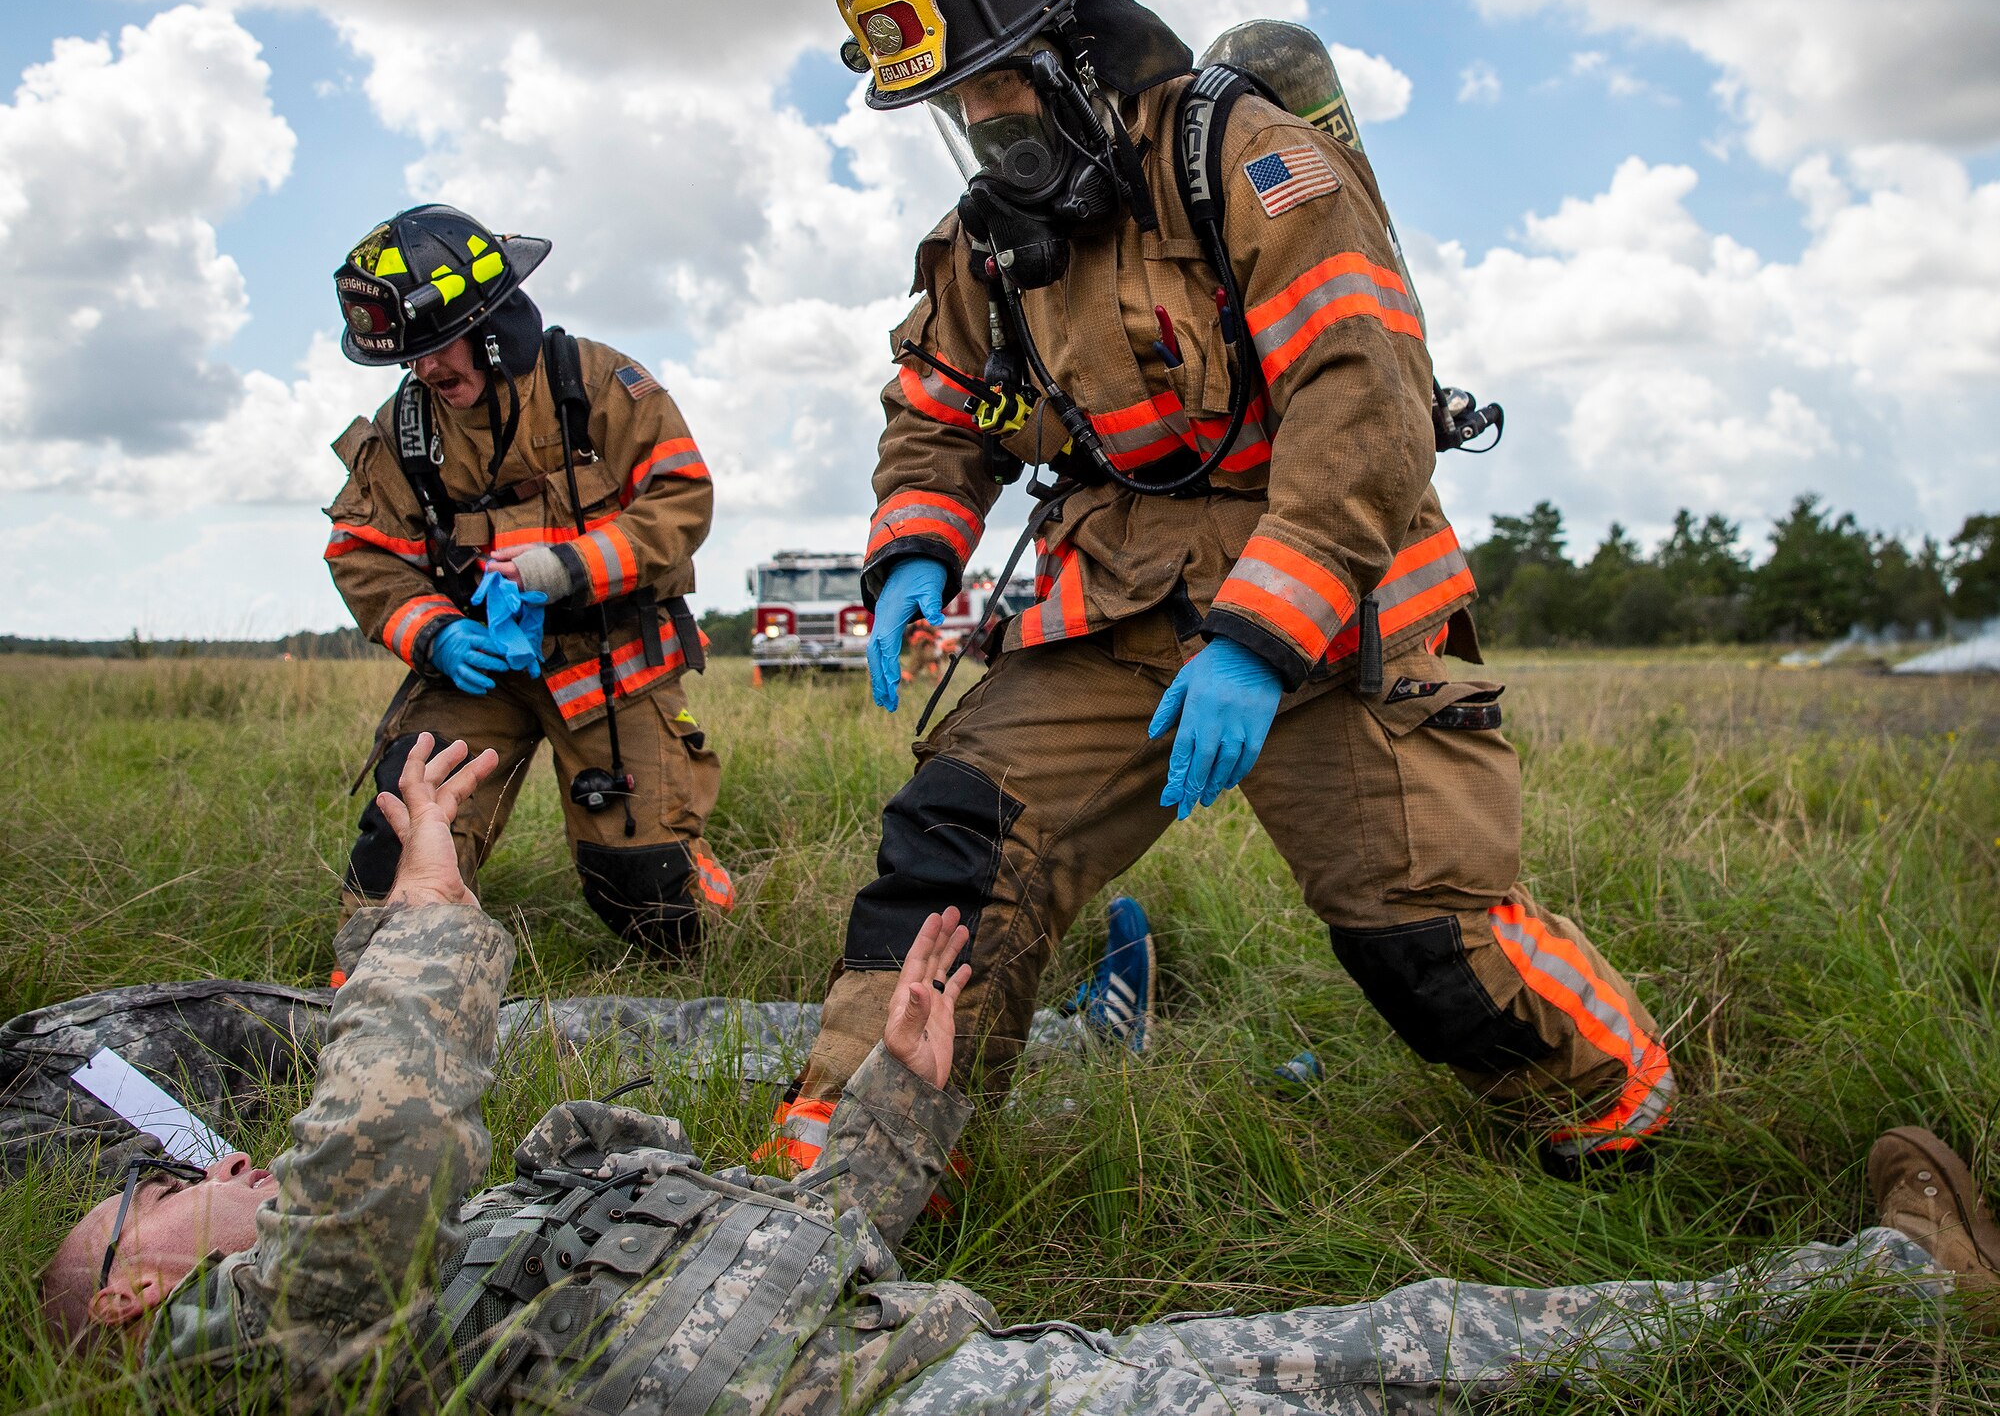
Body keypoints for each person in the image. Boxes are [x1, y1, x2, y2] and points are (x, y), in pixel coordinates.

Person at [35, 738, 1996, 1412]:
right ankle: (1884, 1295)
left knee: (1405, 1335)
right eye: (176, 1190)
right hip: (918, 1396)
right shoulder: (273, 1341)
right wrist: (426, 913)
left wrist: (897, 1099)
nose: (233, 1170)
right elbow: (378, 1140)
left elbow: (773, 1251)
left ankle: (1895, 1283)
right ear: (135, 1292)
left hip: (927, 1361)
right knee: (1393, 1362)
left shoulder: (497, 1242)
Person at [772, 0, 1669, 1174]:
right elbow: (938, 413)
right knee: (957, 851)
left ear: (1078, 49)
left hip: (1324, 593)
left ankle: (1613, 1103)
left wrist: (1256, 641)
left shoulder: (1248, 160)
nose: (977, 120)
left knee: (1420, 934)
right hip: (1115, 593)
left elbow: (1363, 400)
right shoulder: (988, 242)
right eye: (953, 101)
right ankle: (856, 1156)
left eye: (995, 81)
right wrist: (914, 548)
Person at [324, 203, 732, 956]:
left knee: (642, 886)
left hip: (608, 662)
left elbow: (682, 498)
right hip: (481, 670)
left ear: (491, 323)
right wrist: (436, 635)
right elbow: (360, 552)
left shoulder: (597, 384)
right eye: (411, 358)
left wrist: (567, 568)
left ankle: (707, 941)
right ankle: (378, 989)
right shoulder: (405, 426)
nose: (426, 371)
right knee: (402, 836)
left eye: (437, 347)